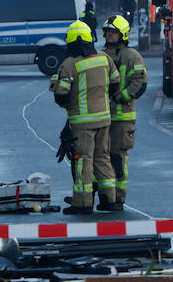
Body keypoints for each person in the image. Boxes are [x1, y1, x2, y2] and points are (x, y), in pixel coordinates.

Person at [50, 20, 114, 216]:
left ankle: (83, 202)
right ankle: (109, 199)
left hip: (82, 124)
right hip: (104, 120)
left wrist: (56, 82)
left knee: (83, 160)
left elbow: (61, 96)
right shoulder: (104, 58)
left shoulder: (69, 65)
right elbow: (116, 83)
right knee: (102, 157)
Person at [101, 15, 147, 212]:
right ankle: (104, 197)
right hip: (102, 116)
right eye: (107, 32)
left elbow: (140, 82)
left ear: (123, 34)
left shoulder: (132, 56)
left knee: (119, 158)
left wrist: (121, 96)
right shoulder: (100, 55)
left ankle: (119, 198)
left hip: (122, 117)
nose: (110, 35)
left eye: (113, 32)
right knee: (101, 157)